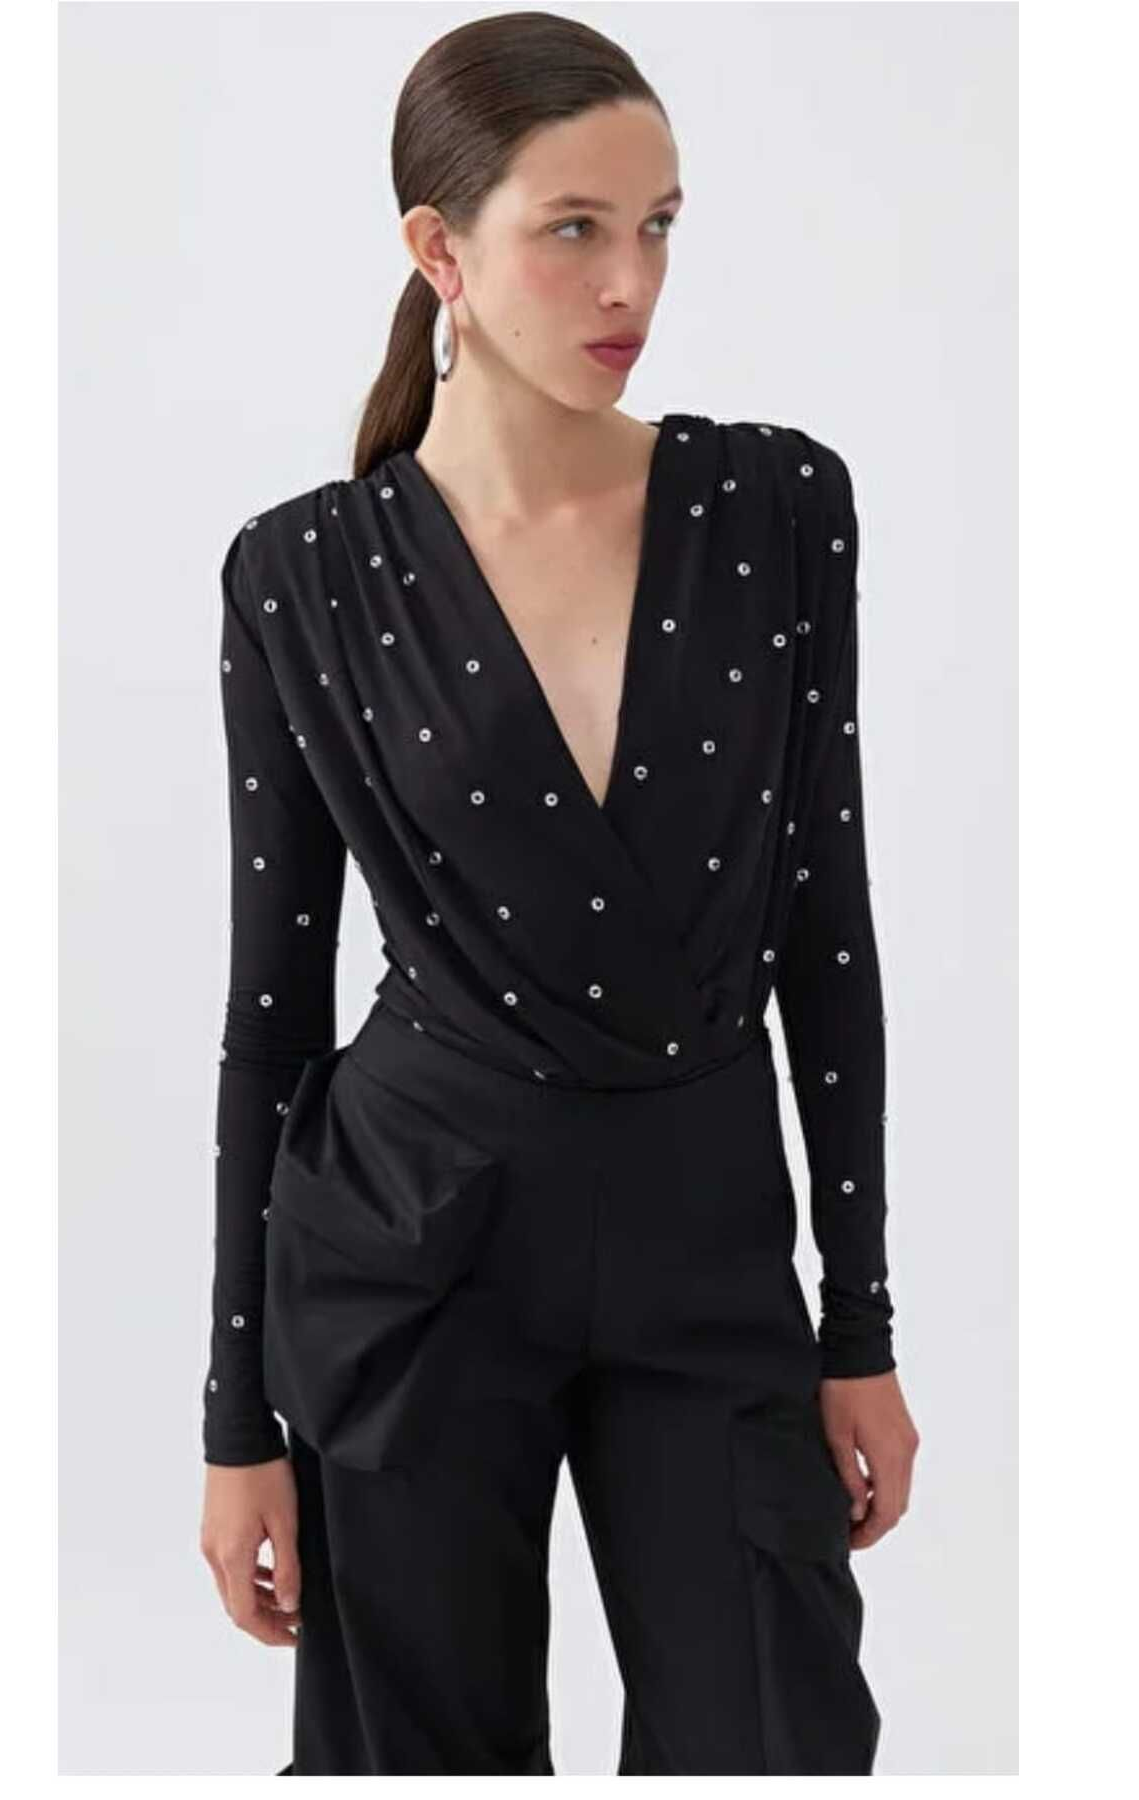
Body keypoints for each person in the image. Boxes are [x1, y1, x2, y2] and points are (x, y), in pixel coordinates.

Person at [197, 9, 920, 1777]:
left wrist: (861, 1322)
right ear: (438, 249)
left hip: (709, 1240)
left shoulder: (777, 505)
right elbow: (270, 1017)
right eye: (575, 228)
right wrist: (237, 1419)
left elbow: (827, 932)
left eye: (659, 225)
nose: (631, 284)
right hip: (413, 1256)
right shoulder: (301, 575)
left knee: (773, 1739)